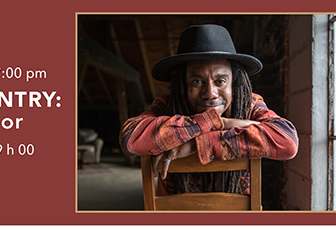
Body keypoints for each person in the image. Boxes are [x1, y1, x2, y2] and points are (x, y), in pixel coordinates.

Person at [119, 24, 298, 196]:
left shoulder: (248, 105)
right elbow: (130, 139)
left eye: (220, 81)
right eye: (197, 81)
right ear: (183, 83)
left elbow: (288, 142)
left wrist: (194, 146)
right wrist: (216, 122)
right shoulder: (168, 106)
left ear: (234, 83)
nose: (210, 93)